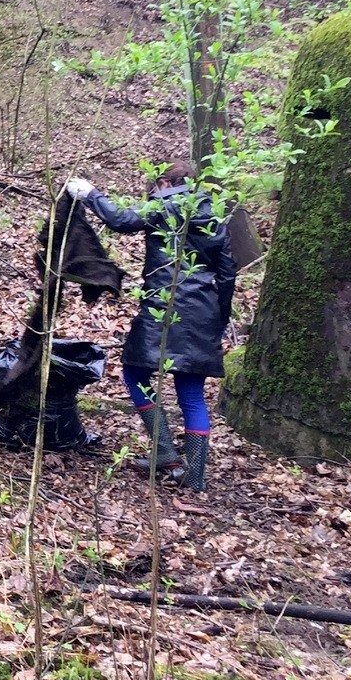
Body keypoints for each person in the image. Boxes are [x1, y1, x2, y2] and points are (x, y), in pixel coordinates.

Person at [64, 164, 236, 491]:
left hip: (163, 308)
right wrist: (219, 319)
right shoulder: (214, 214)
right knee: (192, 394)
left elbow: (122, 220)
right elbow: (228, 275)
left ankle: (167, 452)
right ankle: (194, 476)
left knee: (134, 374)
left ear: (167, 183)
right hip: (202, 313)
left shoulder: (165, 204)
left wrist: (89, 194)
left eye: (157, 184)